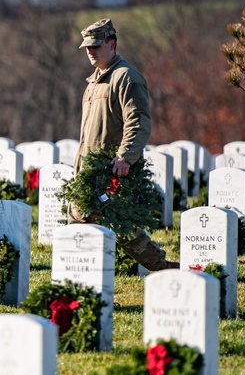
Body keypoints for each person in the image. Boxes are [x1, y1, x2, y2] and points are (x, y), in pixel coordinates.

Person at [73, 18, 177, 271]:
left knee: (123, 229)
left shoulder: (126, 77)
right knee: (78, 225)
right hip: (88, 171)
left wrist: (125, 157)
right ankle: (80, 280)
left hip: (110, 169)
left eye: (96, 45)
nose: (90, 51)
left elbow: (138, 122)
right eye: (87, 46)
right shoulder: (94, 81)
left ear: (112, 44)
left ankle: (163, 268)